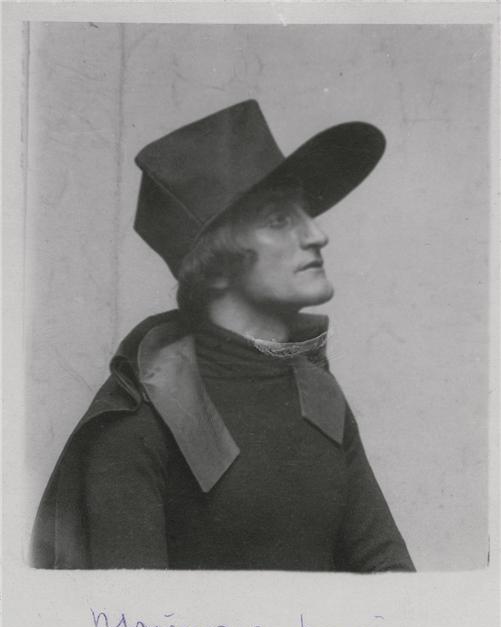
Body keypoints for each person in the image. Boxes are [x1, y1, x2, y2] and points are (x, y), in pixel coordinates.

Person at [30, 99, 415, 572]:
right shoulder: (145, 415)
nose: (317, 234)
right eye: (279, 219)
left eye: (305, 212)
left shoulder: (319, 395)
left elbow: (390, 575)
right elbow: (130, 615)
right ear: (214, 268)